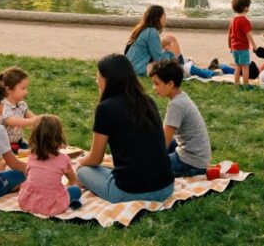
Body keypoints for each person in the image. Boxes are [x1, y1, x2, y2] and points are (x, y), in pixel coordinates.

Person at [77, 54, 174, 203]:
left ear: (107, 79)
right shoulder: (148, 101)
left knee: (82, 171)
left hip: (129, 192)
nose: (97, 81)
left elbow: (95, 158)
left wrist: (80, 161)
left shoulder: (105, 108)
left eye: (98, 77)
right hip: (166, 187)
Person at [148, 60, 211, 177]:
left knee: (146, 165)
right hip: (200, 159)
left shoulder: (176, 105)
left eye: (156, 83)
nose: (154, 88)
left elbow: (164, 142)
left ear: (170, 84)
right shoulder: (182, 97)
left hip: (191, 164)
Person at [125, 5, 213, 79]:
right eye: (164, 15)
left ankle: (185, 64)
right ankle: (190, 68)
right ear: (157, 18)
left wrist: (166, 52)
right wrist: (169, 54)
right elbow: (159, 59)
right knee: (183, 65)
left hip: (134, 67)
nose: (165, 18)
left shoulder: (143, 29)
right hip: (141, 69)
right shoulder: (152, 32)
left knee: (170, 40)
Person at [18, 115, 82, 215]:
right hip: (53, 205)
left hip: (27, 202)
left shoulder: (31, 157)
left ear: (35, 137)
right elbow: (73, 180)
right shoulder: (64, 159)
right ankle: (70, 202)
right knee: (75, 190)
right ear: (59, 136)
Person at [0, 67, 39, 153]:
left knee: (37, 152)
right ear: (8, 90)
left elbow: (34, 118)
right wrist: (33, 121)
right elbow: (11, 121)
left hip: (19, 143)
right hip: (4, 146)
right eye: (23, 88)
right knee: (29, 155)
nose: (26, 92)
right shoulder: (2, 104)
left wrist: (44, 122)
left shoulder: (21, 104)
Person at [229, 0, 257, 87]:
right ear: (245, 8)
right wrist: (254, 45)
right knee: (245, 67)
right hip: (243, 48)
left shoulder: (233, 20)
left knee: (238, 66)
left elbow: (230, 34)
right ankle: (246, 85)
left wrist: (230, 46)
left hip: (234, 48)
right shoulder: (244, 20)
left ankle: (236, 83)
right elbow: (248, 34)